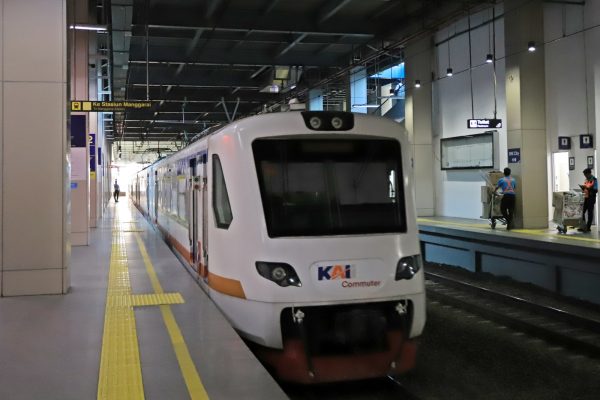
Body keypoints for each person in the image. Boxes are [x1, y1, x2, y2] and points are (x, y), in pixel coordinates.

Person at [578, 168, 598, 232]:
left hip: (591, 198)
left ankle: (588, 227)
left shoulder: (594, 180)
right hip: (586, 198)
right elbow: (585, 188)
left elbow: (596, 190)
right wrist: (583, 188)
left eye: (585, 175)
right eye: (584, 175)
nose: (585, 176)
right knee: (582, 212)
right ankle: (583, 226)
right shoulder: (586, 180)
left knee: (590, 213)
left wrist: (589, 189)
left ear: (589, 173)